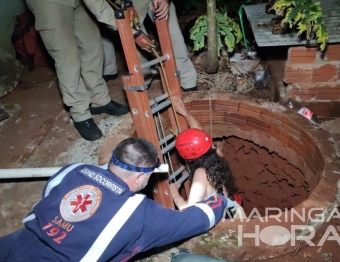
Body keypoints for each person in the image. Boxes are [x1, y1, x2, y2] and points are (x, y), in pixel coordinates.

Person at [0, 137, 234, 261]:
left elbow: (51, 199)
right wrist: (222, 201)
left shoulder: (71, 170)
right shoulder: (138, 214)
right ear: (142, 176)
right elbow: (198, 218)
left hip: (12, 245)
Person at [26, 0, 154, 141]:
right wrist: (131, 32)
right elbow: (98, 6)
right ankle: (80, 113)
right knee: (67, 58)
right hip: (50, 3)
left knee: (92, 48)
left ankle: (99, 100)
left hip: (80, 2)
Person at [169, 96, 246, 218]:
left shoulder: (200, 173)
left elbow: (190, 214)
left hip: (219, 220)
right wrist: (185, 113)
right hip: (228, 206)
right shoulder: (216, 152)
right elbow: (199, 132)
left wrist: (175, 195)